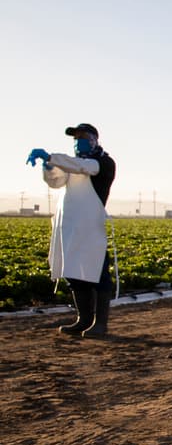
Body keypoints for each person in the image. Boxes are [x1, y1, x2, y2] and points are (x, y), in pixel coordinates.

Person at [26, 123, 117, 337]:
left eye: (83, 137)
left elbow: (83, 167)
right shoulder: (73, 164)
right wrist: (49, 167)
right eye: (75, 138)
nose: (78, 141)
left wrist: (51, 156)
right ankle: (83, 319)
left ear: (94, 139)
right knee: (74, 274)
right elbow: (56, 181)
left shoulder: (103, 162)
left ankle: (100, 323)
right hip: (69, 227)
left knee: (98, 274)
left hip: (90, 227)